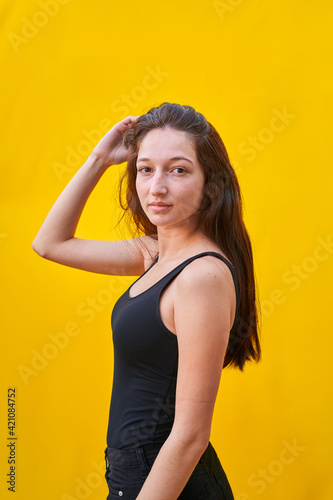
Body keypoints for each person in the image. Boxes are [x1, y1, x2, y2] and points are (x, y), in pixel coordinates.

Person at [32, 102, 261, 499]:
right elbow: (50, 244)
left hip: (166, 482)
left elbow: (191, 435)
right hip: (134, 475)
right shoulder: (155, 253)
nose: (156, 187)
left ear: (211, 182)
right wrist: (100, 160)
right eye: (145, 169)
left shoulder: (201, 277)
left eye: (178, 169)